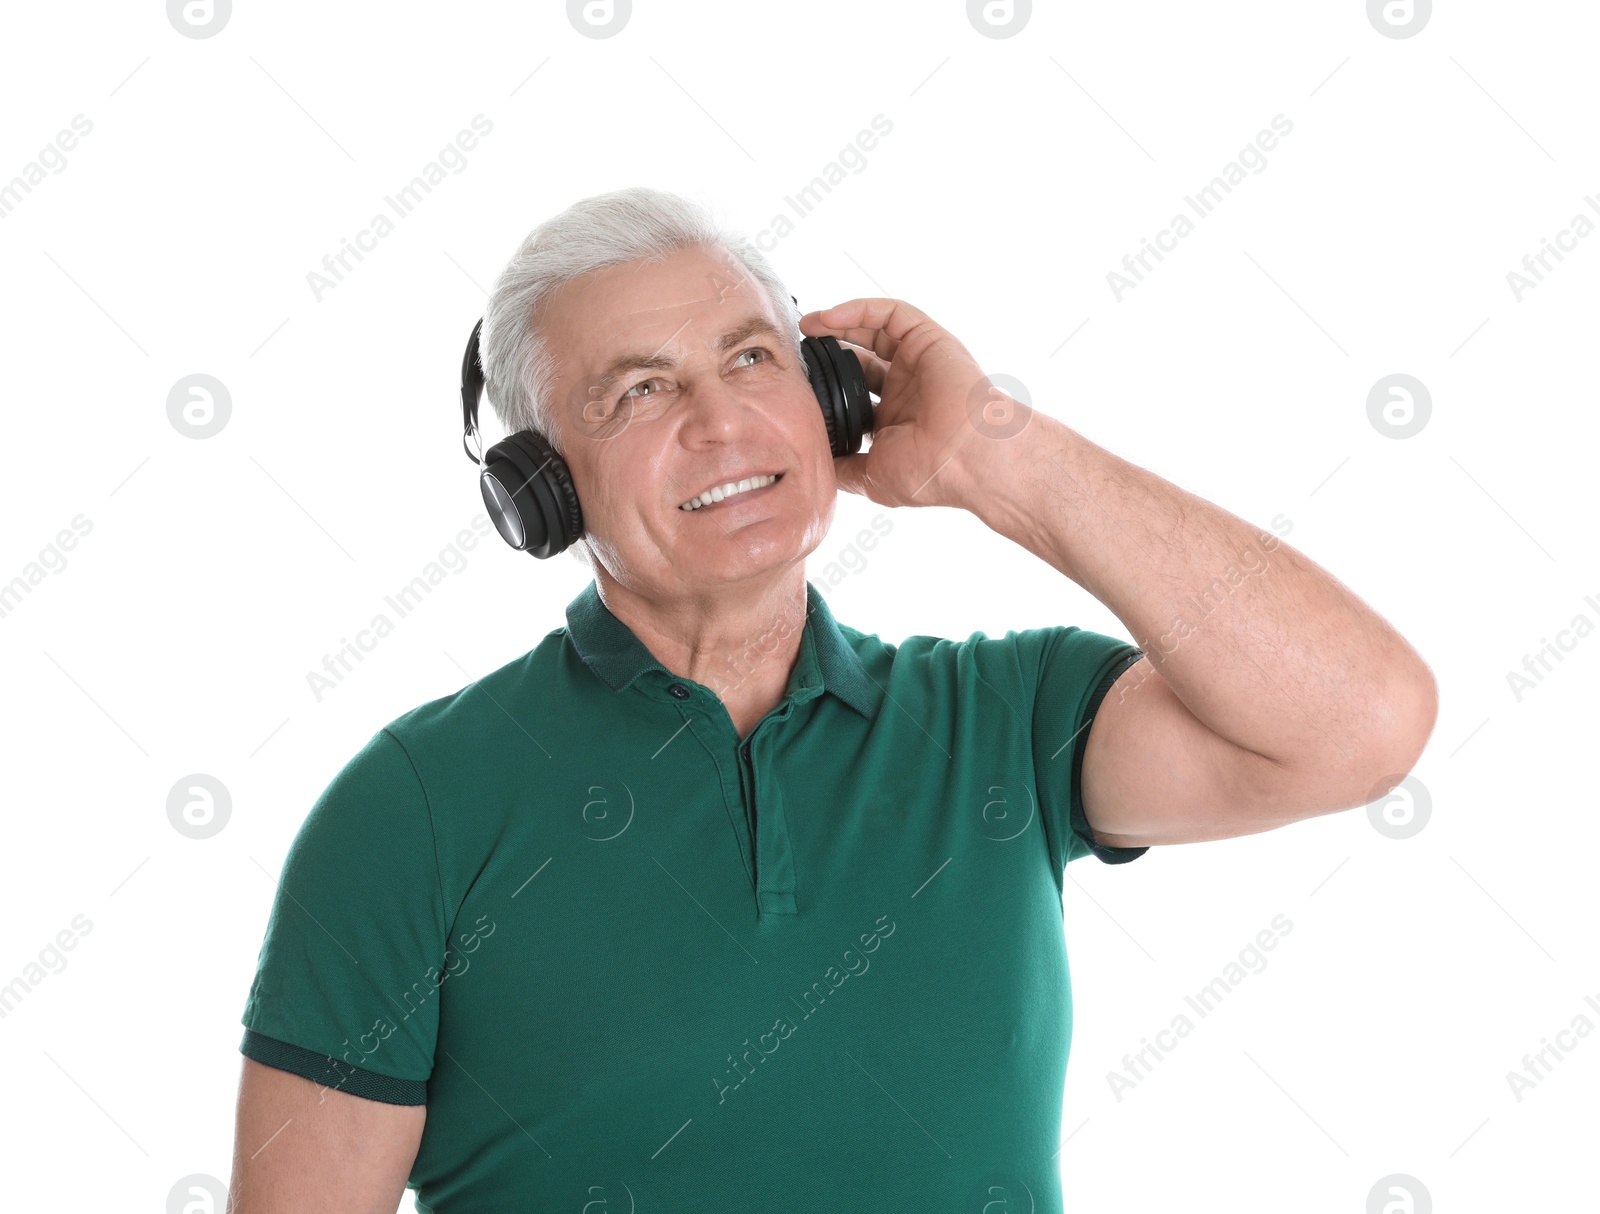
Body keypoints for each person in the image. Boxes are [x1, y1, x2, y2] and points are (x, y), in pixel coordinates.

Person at [227, 187, 1437, 1212]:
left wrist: (991, 457)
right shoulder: (413, 808)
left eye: (753, 358)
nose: (723, 422)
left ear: (829, 396)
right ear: (538, 488)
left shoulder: (1003, 720)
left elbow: (1362, 723)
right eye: (637, 393)